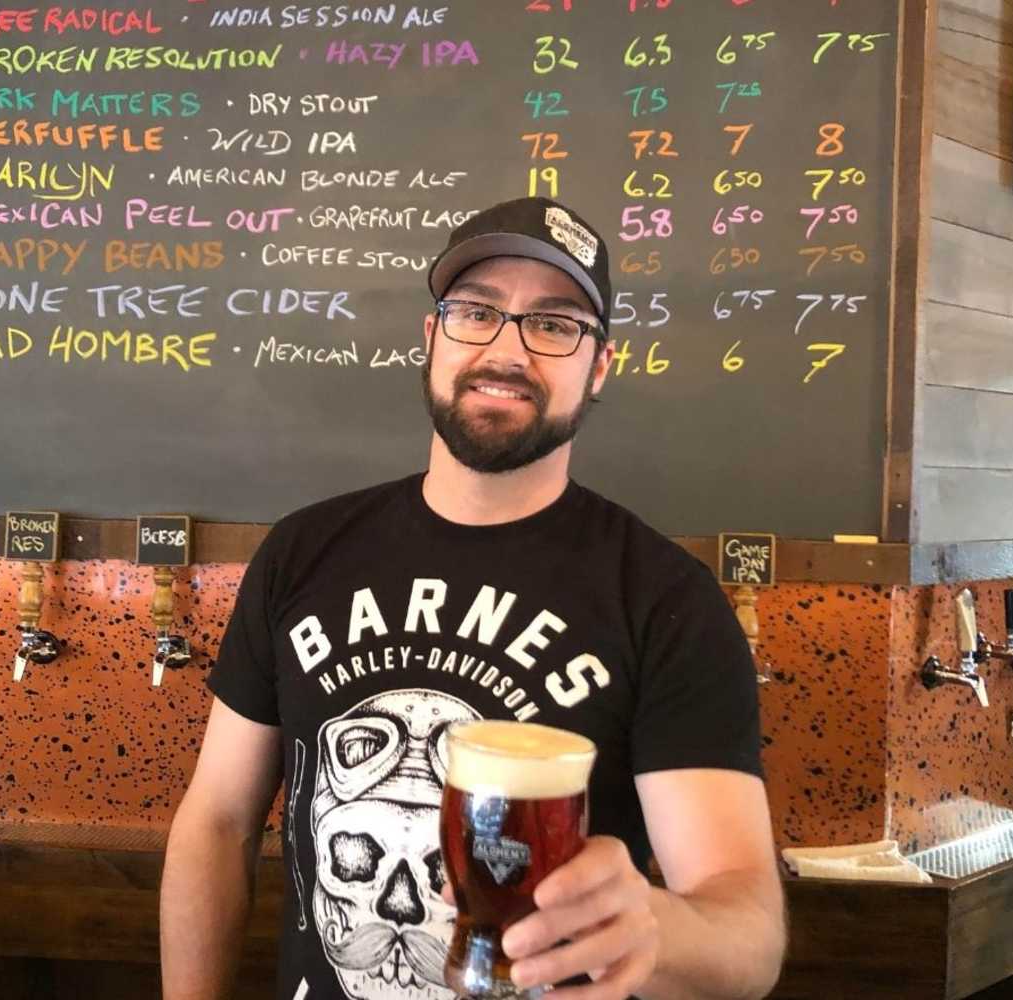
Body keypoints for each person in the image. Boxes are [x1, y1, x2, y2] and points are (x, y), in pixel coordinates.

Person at [160, 196, 787, 1000]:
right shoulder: (303, 552)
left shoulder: (666, 601)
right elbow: (216, 821)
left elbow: (749, 930)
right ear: (431, 339)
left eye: (555, 324)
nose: (506, 349)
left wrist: (658, 928)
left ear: (599, 366)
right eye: (476, 312)